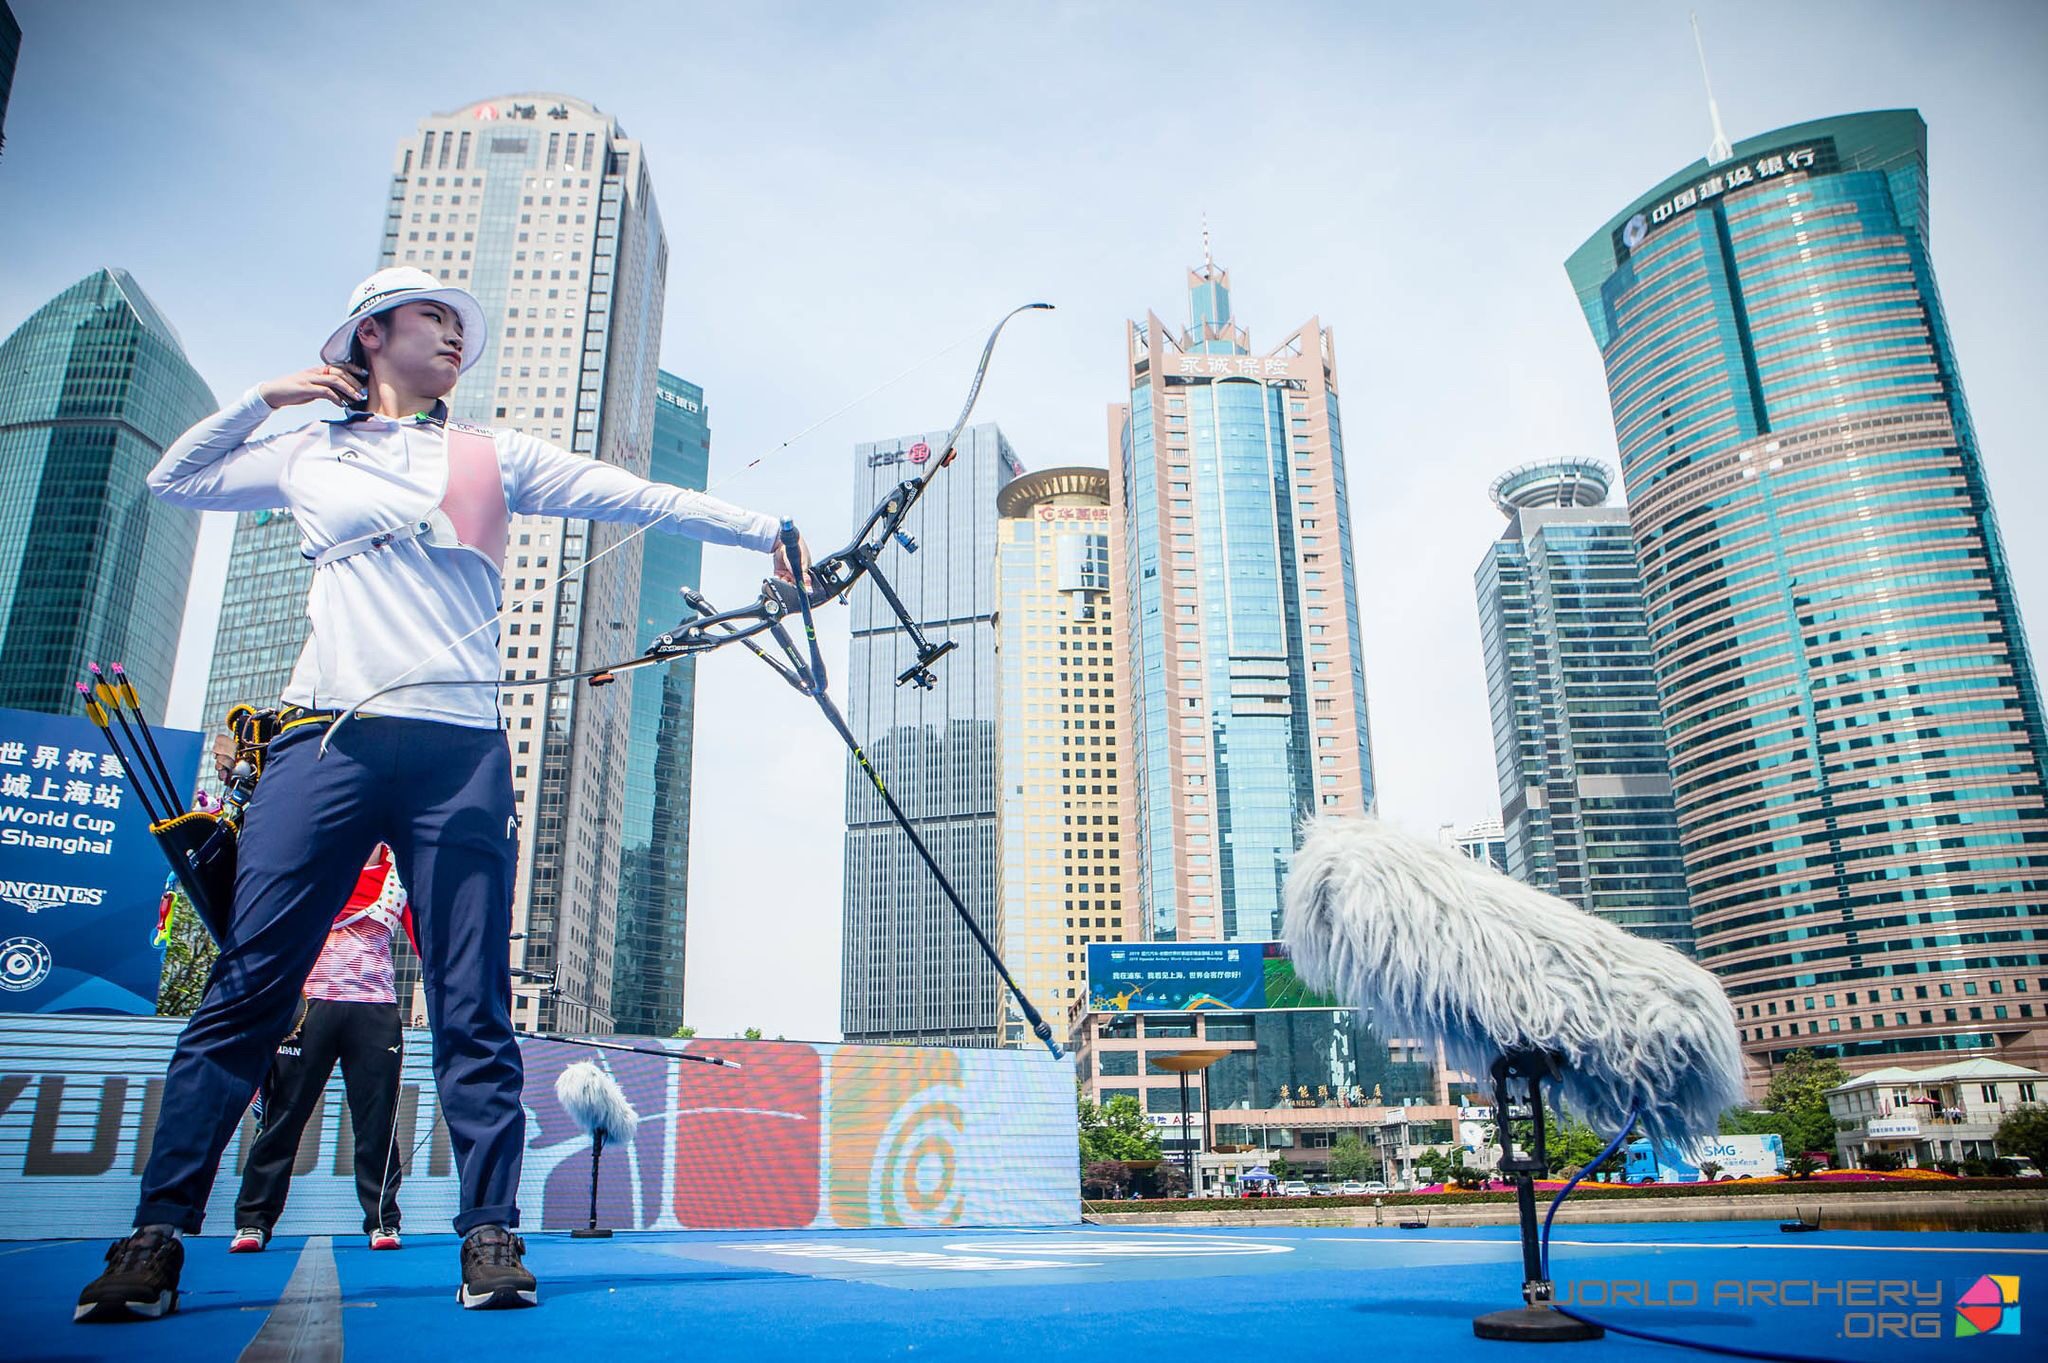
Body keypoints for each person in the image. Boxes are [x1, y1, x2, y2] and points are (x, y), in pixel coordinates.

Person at [76, 267, 798, 1323]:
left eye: (462, 325)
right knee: (250, 985)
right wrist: (271, 396)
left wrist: (766, 528)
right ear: (371, 334)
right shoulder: (307, 449)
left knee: (472, 999)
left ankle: (489, 1231)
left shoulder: (490, 454)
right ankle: (154, 1235)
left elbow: (635, 495)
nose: (457, 336)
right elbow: (176, 479)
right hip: (323, 742)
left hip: (458, 750)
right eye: (434, 318)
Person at [229, 844, 412, 1254]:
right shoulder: (316, 856)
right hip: (309, 1006)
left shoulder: (402, 871)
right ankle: (253, 1221)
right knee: (283, 1117)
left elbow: (429, 940)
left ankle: (382, 1220)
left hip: (375, 1009)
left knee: (377, 1124)